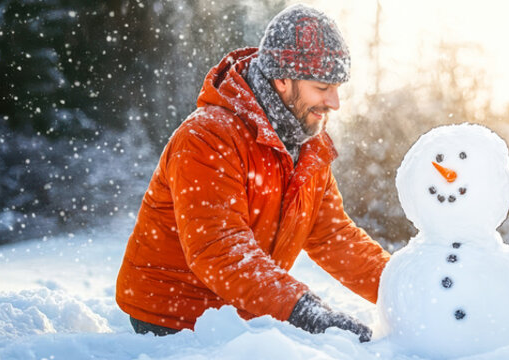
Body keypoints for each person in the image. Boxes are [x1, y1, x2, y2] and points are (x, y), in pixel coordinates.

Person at [115, 5, 390, 342]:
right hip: (173, 322)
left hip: (244, 313)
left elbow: (334, 237)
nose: (334, 102)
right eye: (322, 87)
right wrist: (306, 312)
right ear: (282, 79)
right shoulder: (208, 137)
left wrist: (405, 287)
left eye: (337, 87)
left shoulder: (308, 145)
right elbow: (220, 248)